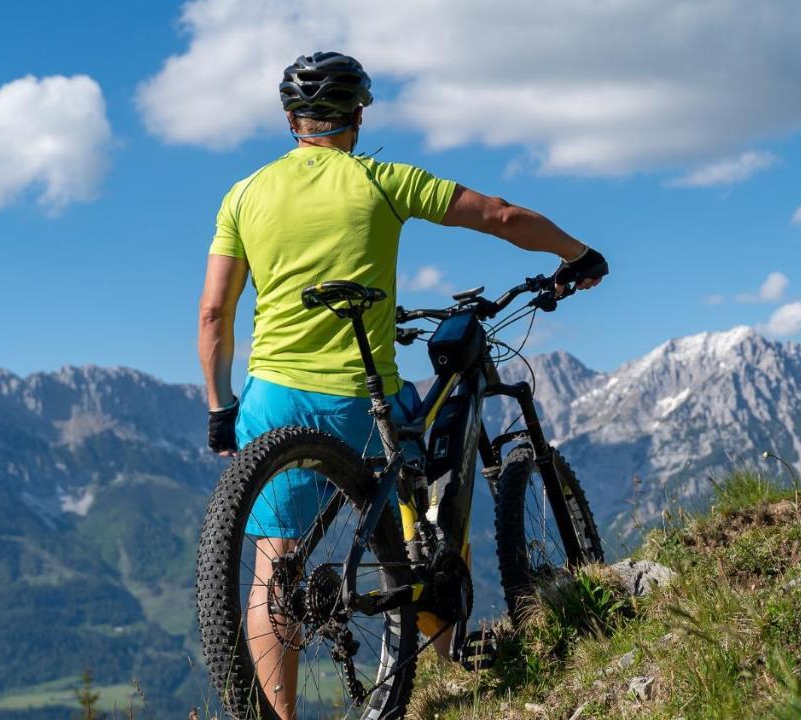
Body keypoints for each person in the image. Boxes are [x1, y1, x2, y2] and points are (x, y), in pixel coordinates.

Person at [196, 51, 607, 718]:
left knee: (276, 565)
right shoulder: (382, 180)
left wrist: (220, 409)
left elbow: (215, 312)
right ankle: (445, 651)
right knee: (430, 485)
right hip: (359, 400)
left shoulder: (243, 195)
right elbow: (499, 215)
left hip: (272, 396)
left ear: (291, 121)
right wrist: (577, 256)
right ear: (358, 115)